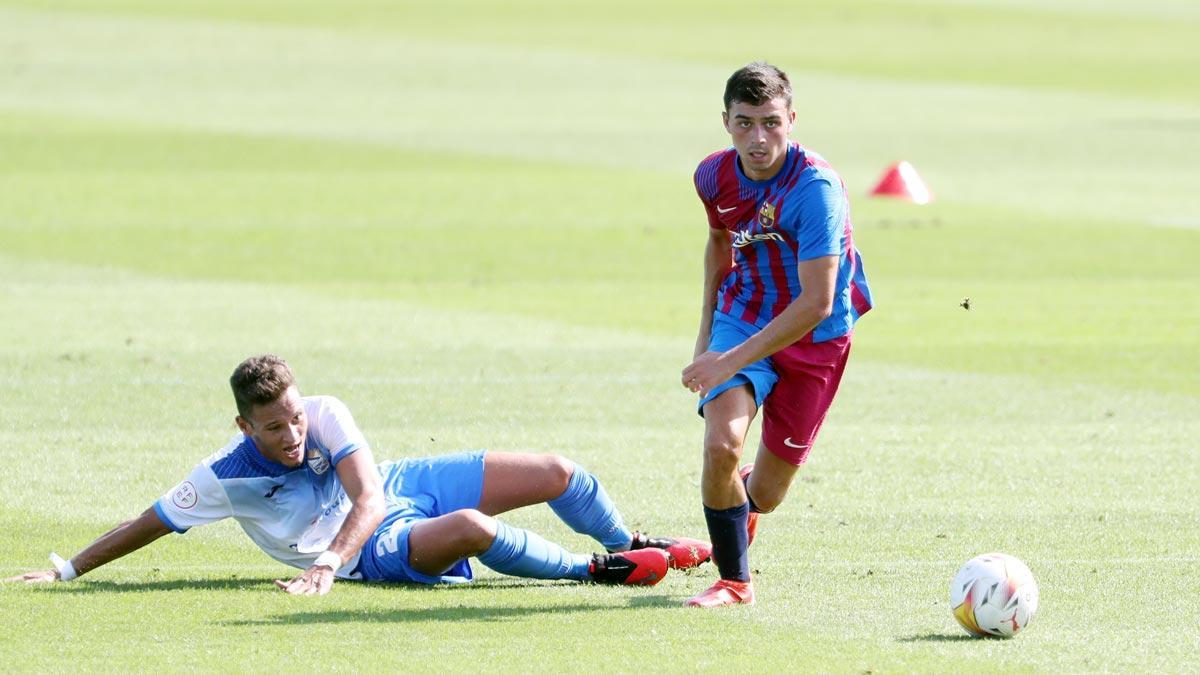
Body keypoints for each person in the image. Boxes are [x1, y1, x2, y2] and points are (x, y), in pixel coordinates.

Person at [7, 354, 710, 594]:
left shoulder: (324, 412)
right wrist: (67, 570)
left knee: (558, 470)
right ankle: (596, 572)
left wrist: (320, 565)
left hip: (393, 491)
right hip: (367, 550)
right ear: (244, 428)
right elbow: (149, 523)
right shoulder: (223, 476)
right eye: (274, 428)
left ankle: (625, 542)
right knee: (471, 527)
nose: (293, 434)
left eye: (294, 417)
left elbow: (371, 492)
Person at [680, 62, 872, 607]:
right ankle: (734, 581)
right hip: (743, 314)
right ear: (726, 122)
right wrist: (707, 336)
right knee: (721, 445)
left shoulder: (816, 190)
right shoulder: (712, 175)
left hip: (815, 336)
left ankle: (741, 503)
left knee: (765, 493)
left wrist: (726, 360)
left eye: (770, 122)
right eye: (744, 123)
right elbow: (720, 243)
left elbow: (816, 302)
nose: (758, 139)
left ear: (792, 119)